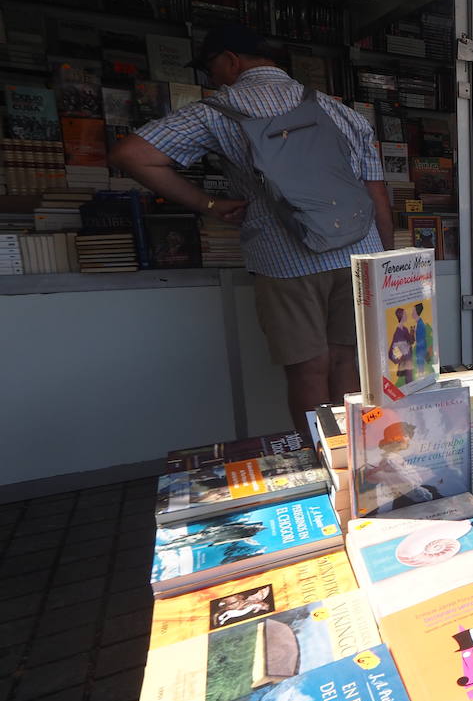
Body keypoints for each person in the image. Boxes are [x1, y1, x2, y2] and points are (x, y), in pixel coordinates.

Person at [110, 24, 392, 437]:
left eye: (210, 67)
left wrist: (209, 205)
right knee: (347, 361)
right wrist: (383, 261)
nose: (211, 77)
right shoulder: (339, 109)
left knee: (307, 370)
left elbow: (131, 155)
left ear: (231, 60)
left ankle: (325, 464)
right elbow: (376, 193)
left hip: (287, 258)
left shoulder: (218, 109)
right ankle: (358, 459)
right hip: (357, 252)